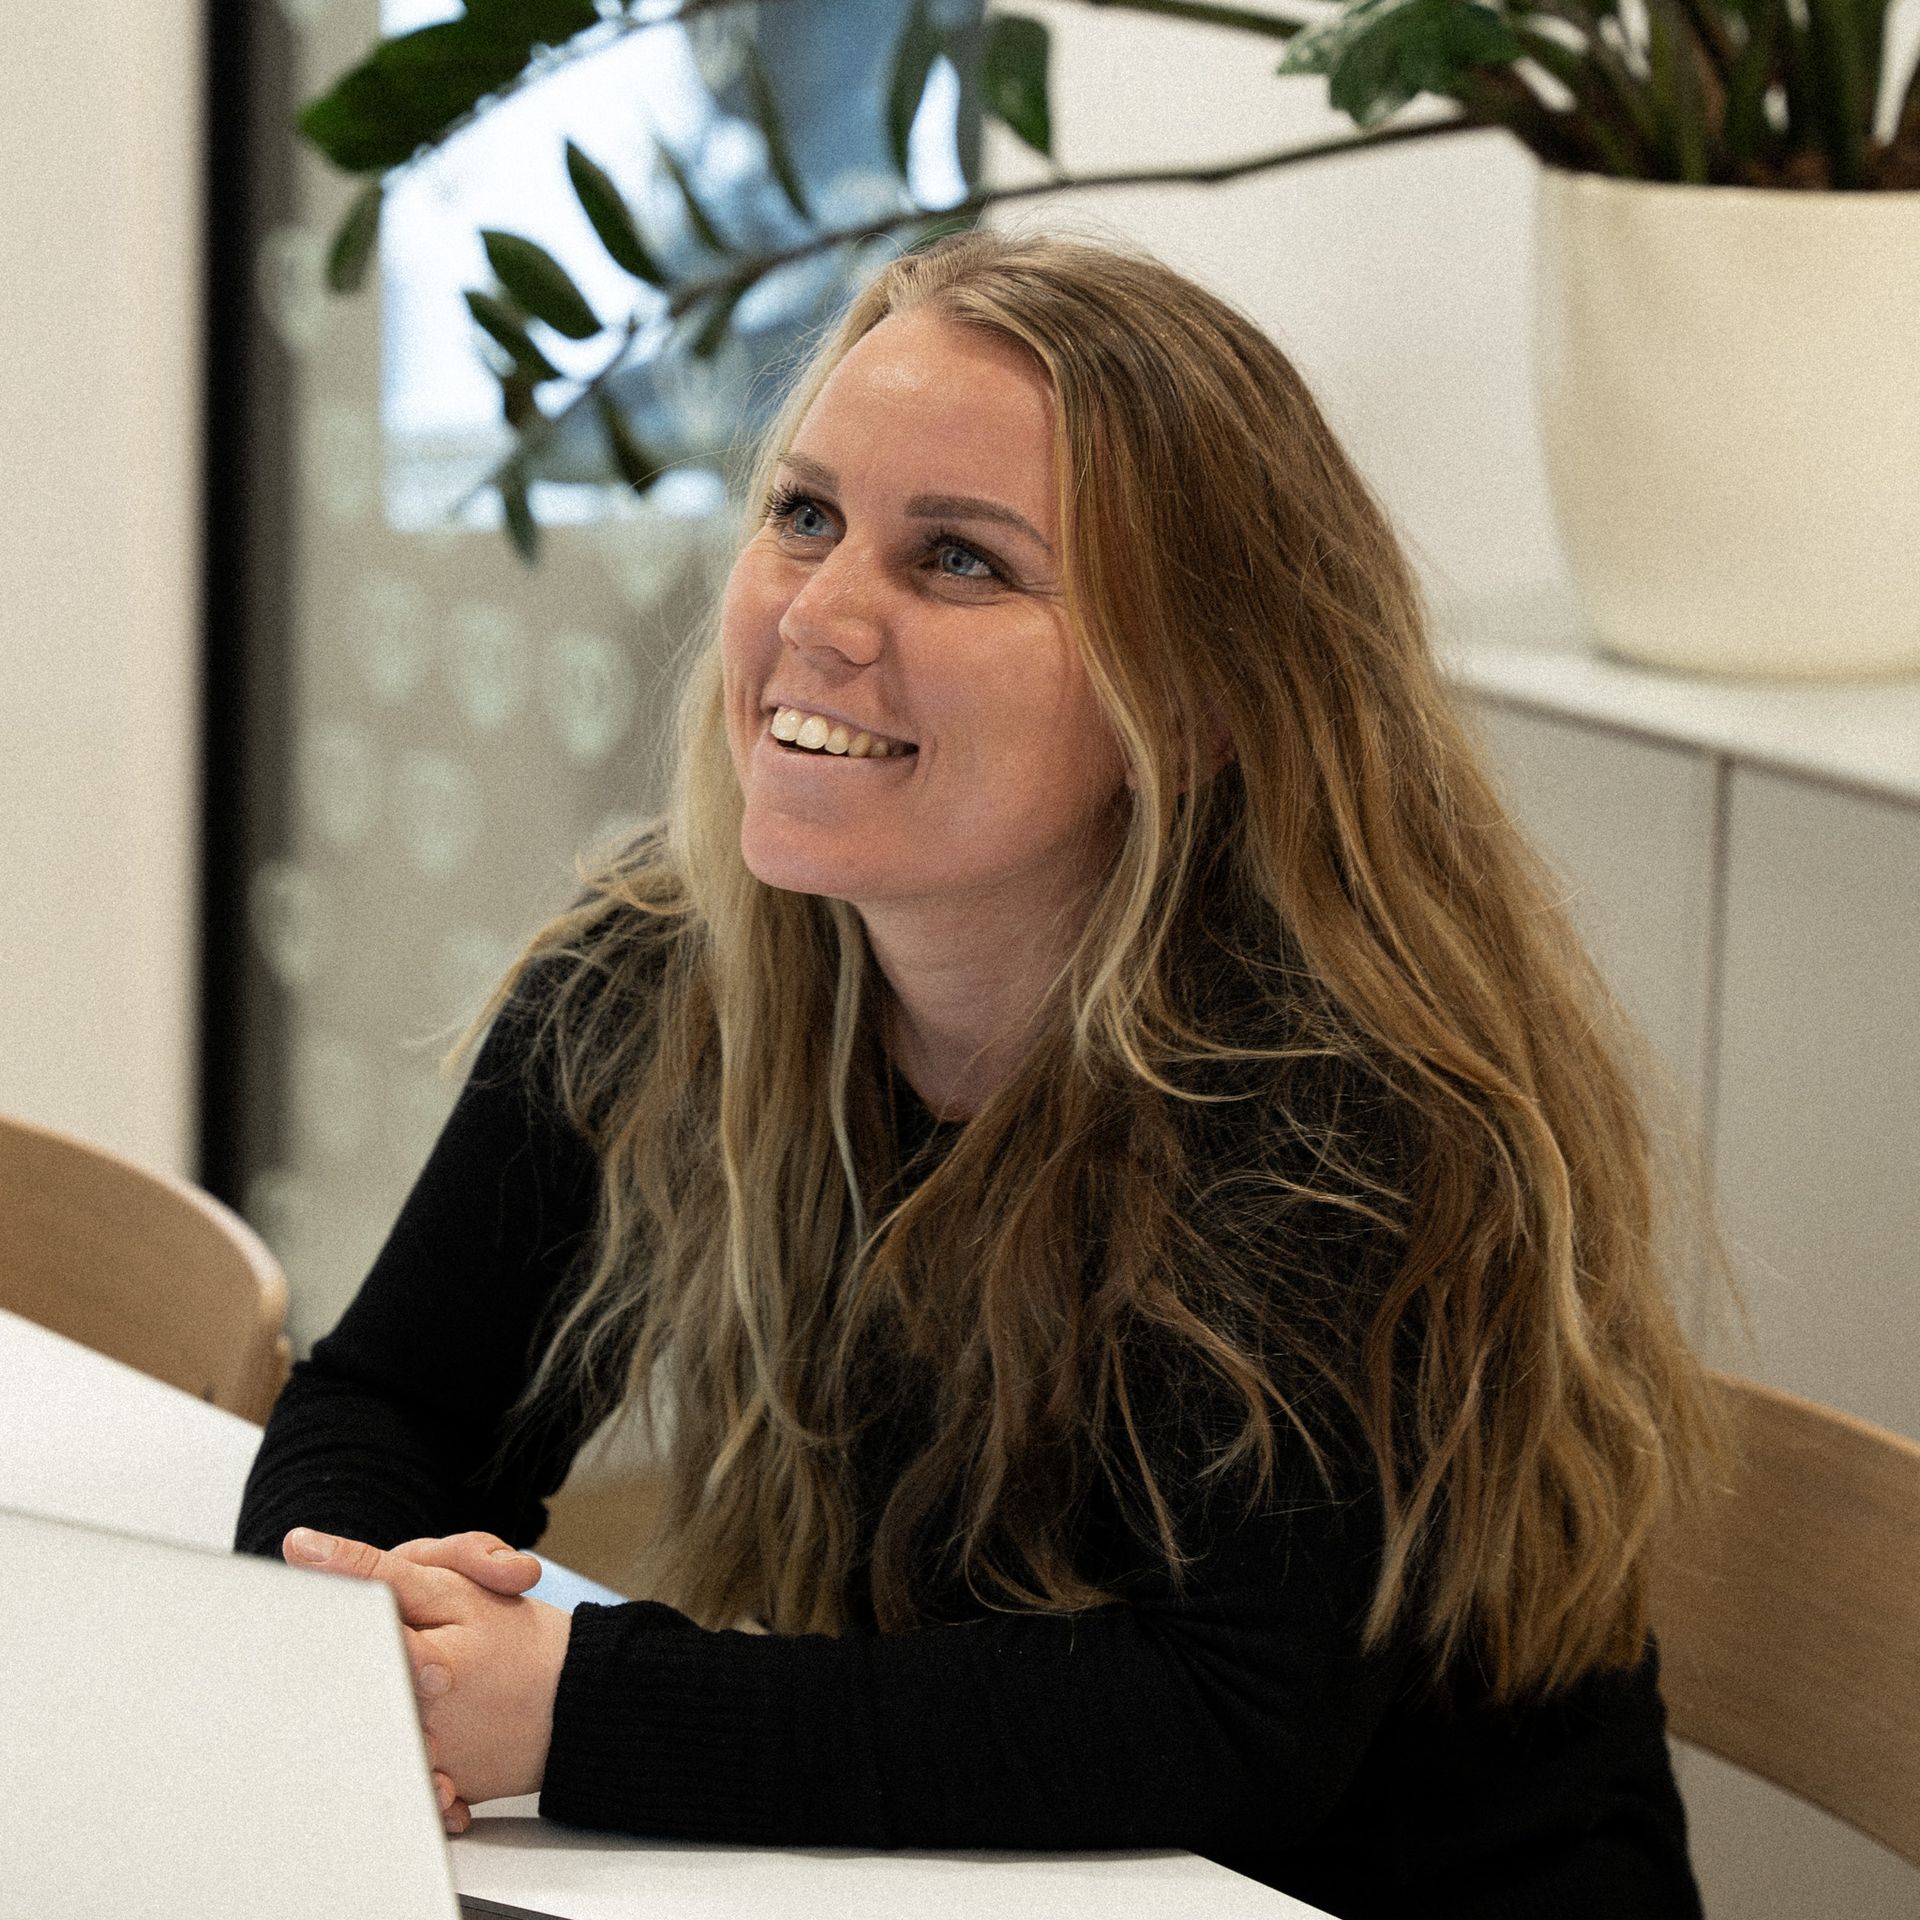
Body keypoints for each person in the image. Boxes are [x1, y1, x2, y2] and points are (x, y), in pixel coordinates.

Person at [235, 229, 1727, 1919]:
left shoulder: (1343, 1103)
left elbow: (1219, 1718)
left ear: (1202, 694)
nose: (820, 613)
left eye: (957, 561)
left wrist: (578, 1708)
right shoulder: (660, 970)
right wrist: (359, 1626)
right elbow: (394, 1403)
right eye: (805, 514)